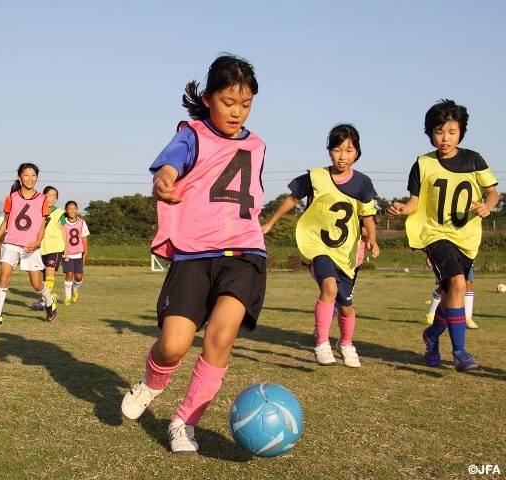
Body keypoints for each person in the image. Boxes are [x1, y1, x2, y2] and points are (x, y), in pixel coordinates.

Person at [120, 54, 267, 454]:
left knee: (220, 336)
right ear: (207, 98)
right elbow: (169, 164)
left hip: (245, 252)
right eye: (228, 102)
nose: (237, 112)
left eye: (246, 103)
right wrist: (165, 178)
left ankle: (185, 421)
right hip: (194, 255)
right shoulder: (192, 134)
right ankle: (153, 382)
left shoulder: (257, 144)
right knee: (173, 345)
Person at [388, 99, 498, 372]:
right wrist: (402, 209)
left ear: (461, 131)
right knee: (459, 284)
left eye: (451, 131)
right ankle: (460, 352)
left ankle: (431, 335)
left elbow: (492, 192)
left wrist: (488, 205)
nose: (445, 138)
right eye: (439, 131)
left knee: (451, 292)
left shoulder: (474, 159)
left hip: (466, 238)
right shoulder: (423, 164)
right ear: (430, 133)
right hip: (435, 235)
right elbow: (414, 203)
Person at [262, 124, 380, 368]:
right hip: (318, 247)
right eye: (337, 150)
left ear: (357, 152)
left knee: (345, 305)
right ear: (329, 152)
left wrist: (373, 239)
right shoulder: (315, 177)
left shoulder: (363, 184)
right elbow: (292, 199)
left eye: (349, 150)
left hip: (347, 253)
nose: (343, 156)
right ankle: (322, 343)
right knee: (329, 288)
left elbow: (368, 215)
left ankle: (345, 343)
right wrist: (271, 223)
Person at [0, 163, 58, 326]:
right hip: (10, 243)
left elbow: (42, 225)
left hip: (31, 246)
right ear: (19, 177)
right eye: (26, 175)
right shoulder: (11, 198)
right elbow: (6, 221)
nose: (30, 178)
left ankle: (49, 303)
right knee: (4, 276)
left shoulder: (42, 199)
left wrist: (38, 242)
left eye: (33, 175)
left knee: (36, 284)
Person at [32, 186, 67, 310]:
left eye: (55, 196)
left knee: (50, 271)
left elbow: (64, 231)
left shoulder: (59, 213)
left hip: (56, 247)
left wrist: (66, 249)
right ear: (43, 196)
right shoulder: (38, 210)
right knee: (43, 276)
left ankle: (43, 300)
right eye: (49, 195)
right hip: (41, 247)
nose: (52, 199)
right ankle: (49, 297)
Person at [425, 260, 477, 329]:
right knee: (446, 286)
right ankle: (431, 312)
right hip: (449, 258)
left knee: (468, 283)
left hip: (465, 259)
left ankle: (467, 317)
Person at [61, 200, 89, 305]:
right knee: (69, 274)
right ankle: (67, 297)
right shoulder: (62, 221)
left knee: (78, 277)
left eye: (74, 209)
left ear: (77, 210)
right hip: (67, 253)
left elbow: (84, 238)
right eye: (69, 209)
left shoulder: (82, 222)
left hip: (78, 253)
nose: (72, 211)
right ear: (66, 210)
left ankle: (75, 289)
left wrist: (86, 252)